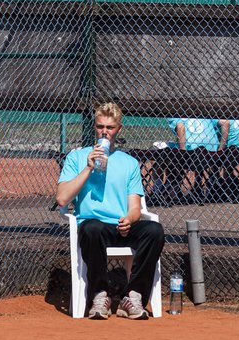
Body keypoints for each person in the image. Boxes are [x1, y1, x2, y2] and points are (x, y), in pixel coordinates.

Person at [56, 101, 165, 319]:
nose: (104, 132)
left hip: (120, 226)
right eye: (100, 127)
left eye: (110, 127)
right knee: (92, 228)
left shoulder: (129, 163)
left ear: (118, 129)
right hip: (93, 228)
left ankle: (133, 296)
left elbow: (135, 207)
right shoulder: (77, 157)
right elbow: (62, 198)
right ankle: (99, 295)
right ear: (94, 127)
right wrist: (88, 167)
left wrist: (130, 220)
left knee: (155, 231)